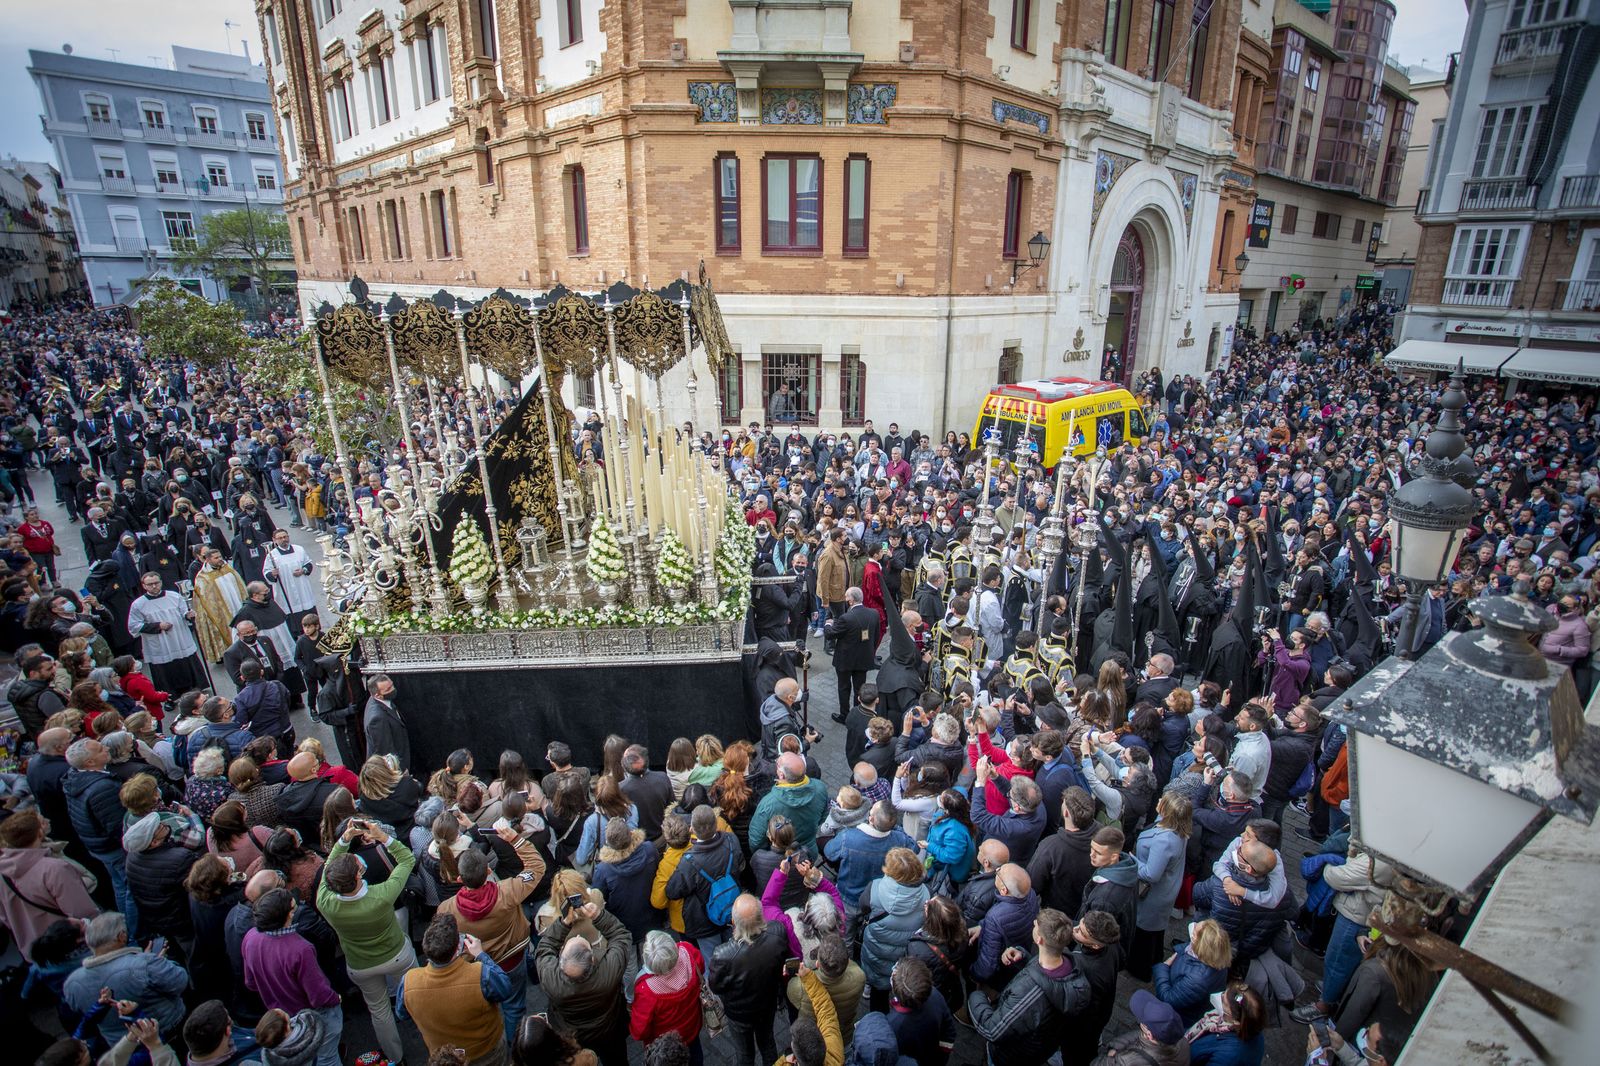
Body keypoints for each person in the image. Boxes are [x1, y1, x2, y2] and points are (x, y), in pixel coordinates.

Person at [316, 815, 417, 1065]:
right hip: (397, 954)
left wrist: (343, 841)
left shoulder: (325, 902)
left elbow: (328, 868)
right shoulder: (382, 895)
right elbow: (407, 858)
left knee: (379, 1011)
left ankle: (396, 1058)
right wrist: (382, 837)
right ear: (358, 878)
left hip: (360, 964)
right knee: (417, 994)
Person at [967, 907, 1091, 1066]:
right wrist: (1024, 957)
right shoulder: (1071, 964)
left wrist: (977, 996)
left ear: (1039, 940)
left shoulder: (1030, 992)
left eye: (1035, 925)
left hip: (1010, 1055)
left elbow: (993, 1030)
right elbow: (1046, 971)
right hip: (1040, 1048)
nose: (1033, 925)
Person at [396, 913, 516, 1066]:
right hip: (486, 1052)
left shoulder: (408, 981)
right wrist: (480, 955)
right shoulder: (480, 974)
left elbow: (402, 1014)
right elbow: (505, 988)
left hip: (444, 1058)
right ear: (458, 947)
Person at [241, 888, 343, 1066]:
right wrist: (335, 998)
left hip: (283, 1015)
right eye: (293, 907)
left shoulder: (250, 938)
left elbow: (250, 982)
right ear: (288, 915)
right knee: (328, 1059)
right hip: (313, 1017)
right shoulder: (300, 949)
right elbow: (318, 995)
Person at [62, 911, 191, 1047]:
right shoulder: (145, 964)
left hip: (124, 1047)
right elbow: (180, 981)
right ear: (121, 936)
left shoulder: (71, 983)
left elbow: (82, 1013)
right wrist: (158, 962)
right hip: (166, 1032)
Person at [535, 895, 635, 1066]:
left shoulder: (551, 979)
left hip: (575, 1037)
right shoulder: (608, 972)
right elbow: (620, 936)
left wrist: (564, 923)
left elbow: (544, 948)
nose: (577, 936)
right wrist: (598, 916)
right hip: (609, 1030)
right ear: (594, 960)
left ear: (560, 962)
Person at [0, 811, 98, 960]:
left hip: (36, 954)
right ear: (39, 833)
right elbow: (83, 912)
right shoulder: (54, 869)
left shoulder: (2, 873)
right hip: (73, 947)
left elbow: (5, 919)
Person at [707, 893, 790, 1066]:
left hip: (739, 1014)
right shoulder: (777, 932)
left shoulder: (723, 954)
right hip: (767, 1005)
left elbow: (716, 986)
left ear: (734, 922)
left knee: (744, 1054)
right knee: (768, 1044)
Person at [1130, 794, 1192, 980]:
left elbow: (1151, 874)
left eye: (1161, 802)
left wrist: (1132, 860)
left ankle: (1141, 969)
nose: (1158, 801)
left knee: (1144, 935)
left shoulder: (1165, 840)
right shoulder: (1177, 828)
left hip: (1153, 895)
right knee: (1153, 933)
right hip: (1166, 890)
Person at [629, 931, 705, 1062]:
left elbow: (639, 1030)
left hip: (667, 1045)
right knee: (696, 1056)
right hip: (692, 1026)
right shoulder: (687, 951)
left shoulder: (647, 990)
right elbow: (701, 967)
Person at [125, 572, 207, 694]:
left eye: (156, 583)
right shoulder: (138, 604)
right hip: (160, 643)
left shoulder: (174, 596)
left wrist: (189, 615)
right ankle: (170, 695)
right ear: (144, 586)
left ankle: (195, 690)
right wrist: (157, 626)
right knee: (165, 672)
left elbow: (184, 612)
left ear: (161, 582)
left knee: (187, 664)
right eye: (150, 584)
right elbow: (133, 626)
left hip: (179, 638)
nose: (154, 586)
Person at [1152, 919, 1233, 1026]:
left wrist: (1163, 967)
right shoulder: (1215, 953)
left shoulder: (1198, 980)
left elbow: (1168, 999)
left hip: (1179, 1018)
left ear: (1201, 944)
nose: (1192, 927)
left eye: (1194, 933)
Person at [1093, 989, 1190, 1066]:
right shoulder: (1182, 1041)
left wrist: (1111, 1055)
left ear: (1149, 1035)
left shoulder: (1126, 1062)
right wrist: (1115, 1045)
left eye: (1142, 1023)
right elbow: (1139, 1036)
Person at [828, 586, 881, 723]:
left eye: (846, 597)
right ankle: (859, 715)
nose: (845, 600)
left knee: (844, 688)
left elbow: (830, 635)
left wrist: (828, 624)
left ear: (851, 601)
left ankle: (844, 715)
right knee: (859, 687)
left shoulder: (846, 618)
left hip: (845, 660)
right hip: (863, 659)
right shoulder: (874, 613)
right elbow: (876, 636)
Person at [1185, 982, 1266, 1066]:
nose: (1220, 996)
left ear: (1236, 1021)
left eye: (1223, 1001)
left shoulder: (1229, 1057)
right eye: (1224, 992)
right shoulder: (1249, 1025)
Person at [192, 546, 248, 664]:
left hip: (237, 604)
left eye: (220, 557)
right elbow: (206, 599)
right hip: (222, 610)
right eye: (216, 558)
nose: (220, 559)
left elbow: (240, 584)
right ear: (208, 560)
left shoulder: (227, 568)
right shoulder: (203, 577)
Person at [620, 743, 675, 840]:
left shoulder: (621, 788)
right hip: (663, 838)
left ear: (624, 767)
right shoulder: (662, 778)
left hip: (637, 844)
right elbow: (672, 807)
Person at [363, 673, 410, 772]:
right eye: (388, 689)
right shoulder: (377, 719)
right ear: (378, 695)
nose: (392, 689)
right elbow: (386, 751)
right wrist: (401, 771)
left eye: (392, 685)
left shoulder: (379, 700)